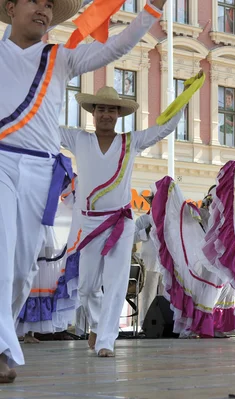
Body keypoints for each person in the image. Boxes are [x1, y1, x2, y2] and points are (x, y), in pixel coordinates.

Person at [0, 0, 168, 382]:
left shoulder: (60, 57)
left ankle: (6, 334)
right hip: (3, 162)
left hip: (42, 171)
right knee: (1, 250)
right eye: (34, 1)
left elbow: (117, 46)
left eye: (49, 4)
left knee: (22, 267)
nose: (43, 9)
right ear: (10, 7)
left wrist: (153, 9)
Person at [59, 79, 189, 357]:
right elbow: (45, 128)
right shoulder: (78, 139)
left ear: (119, 115)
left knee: (116, 283)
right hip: (90, 224)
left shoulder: (131, 141)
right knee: (86, 287)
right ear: (92, 113)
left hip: (120, 223)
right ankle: (96, 324)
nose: (106, 114)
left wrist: (183, 100)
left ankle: (106, 339)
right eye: (101, 109)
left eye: (112, 110)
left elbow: (163, 129)